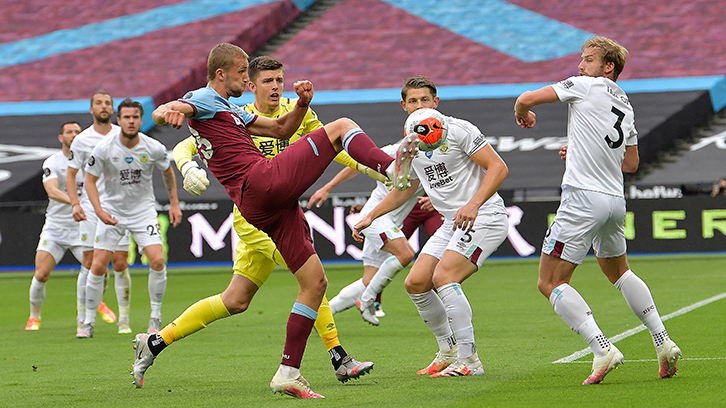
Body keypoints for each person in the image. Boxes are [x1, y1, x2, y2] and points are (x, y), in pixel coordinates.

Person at [133, 43, 416, 399]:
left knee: (313, 283)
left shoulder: (232, 109)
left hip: (270, 203)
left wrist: (301, 104)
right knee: (342, 125)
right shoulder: (204, 97)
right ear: (222, 74)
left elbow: (282, 129)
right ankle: (393, 170)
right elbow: (170, 109)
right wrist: (166, 112)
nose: (246, 79)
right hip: (260, 183)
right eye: (242, 73)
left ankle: (288, 372)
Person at [171, 55, 377, 384]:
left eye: (280, 79)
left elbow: (335, 146)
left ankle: (156, 341)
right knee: (311, 278)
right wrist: (187, 167)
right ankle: (337, 356)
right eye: (268, 81)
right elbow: (186, 144)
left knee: (235, 300)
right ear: (250, 86)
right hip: (252, 217)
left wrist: (373, 170)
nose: (276, 86)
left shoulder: (295, 112)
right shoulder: (230, 113)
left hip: (278, 200)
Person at [513, 36, 681, 384]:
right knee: (619, 272)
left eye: (588, 59)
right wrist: (579, 151)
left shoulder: (585, 86)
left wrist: (523, 113)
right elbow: (631, 163)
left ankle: (603, 348)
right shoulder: (626, 103)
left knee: (549, 282)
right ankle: (663, 341)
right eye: (581, 59)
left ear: (608, 67)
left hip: (582, 199)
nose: (580, 65)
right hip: (614, 200)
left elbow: (526, 98)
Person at [353, 76, 510, 377]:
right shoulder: (408, 144)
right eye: (413, 101)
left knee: (445, 276)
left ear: (436, 102)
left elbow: (498, 167)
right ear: (404, 106)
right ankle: (448, 351)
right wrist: (371, 215)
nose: (420, 106)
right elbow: (406, 188)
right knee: (416, 283)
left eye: (425, 100)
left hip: (484, 216)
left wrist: (474, 203)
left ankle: (470, 360)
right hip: (454, 223)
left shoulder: (460, 130)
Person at [78, 98, 182, 339]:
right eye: (126, 117)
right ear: (119, 120)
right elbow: (90, 180)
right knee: (98, 265)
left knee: (157, 260)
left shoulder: (152, 147)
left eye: (135, 117)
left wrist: (174, 203)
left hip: (142, 211)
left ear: (141, 120)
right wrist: (99, 210)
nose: (131, 121)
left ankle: (155, 318)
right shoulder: (104, 147)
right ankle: (88, 322)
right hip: (112, 211)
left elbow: (167, 171)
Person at [308, 146, 427, 326]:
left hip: (387, 222)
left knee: (368, 281)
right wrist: (327, 187)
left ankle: (322, 316)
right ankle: (367, 300)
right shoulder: (393, 151)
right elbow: (356, 164)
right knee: (406, 254)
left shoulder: (432, 162)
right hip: (374, 219)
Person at [66, 90, 130, 335]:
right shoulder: (81, 140)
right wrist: (75, 203)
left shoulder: (123, 134)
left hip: (119, 208)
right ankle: (84, 319)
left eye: (108, 103)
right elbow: (71, 175)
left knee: (120, 262)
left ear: (112, 109)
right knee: (90, 262)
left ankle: (124, 320)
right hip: (92, 210)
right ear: (91, 109)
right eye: (99, 103)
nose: (104, 107)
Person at [25, 122, 85, 330]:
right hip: (56, 227)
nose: (74, 135)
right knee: (41, 274)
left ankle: (95, 304)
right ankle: (34, 317)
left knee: (98, 271)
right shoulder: (53, 162)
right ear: (61, 137)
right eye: (70, 132)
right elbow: (52, 191)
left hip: (82, 228)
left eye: (77, 131)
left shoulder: (90, 161)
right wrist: (77, 202)